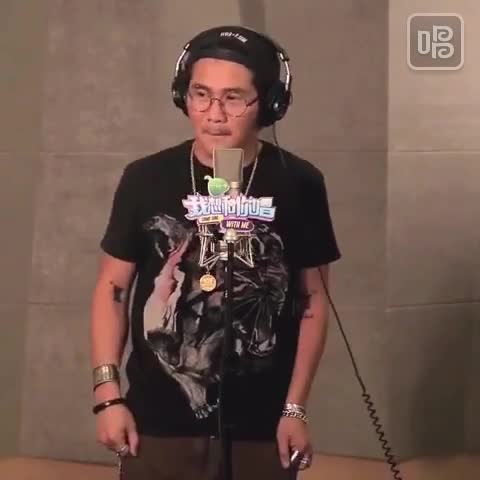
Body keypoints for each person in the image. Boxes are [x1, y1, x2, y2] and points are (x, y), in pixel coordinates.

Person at [90, 25, 341, 480]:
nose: (214, 114)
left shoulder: (300, 183)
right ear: (182, 95)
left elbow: (313, 300)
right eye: (200, 95)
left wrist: (295, 408)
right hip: (156, 426)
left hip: (262, 430)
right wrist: (108, 396)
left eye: (233, 98)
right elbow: (113, 289)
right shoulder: (145, 178)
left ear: (270, 103)